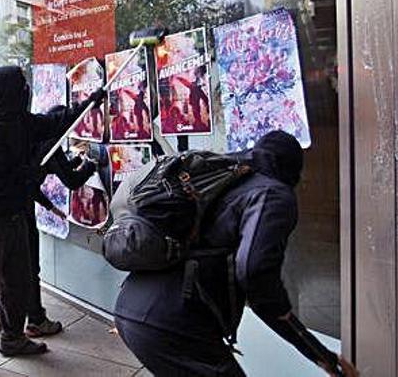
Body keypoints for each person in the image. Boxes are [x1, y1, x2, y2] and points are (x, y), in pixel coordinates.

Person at [114, 131, 357, 377]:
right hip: (172, 323)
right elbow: (255, 273)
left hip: (134, 308)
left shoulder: (228, 178)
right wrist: (316, 351)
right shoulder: (273, 193)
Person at [0, 66, 104, 377]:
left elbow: (52, 123)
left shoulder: (19, 121)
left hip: (13, 215)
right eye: (21, 86)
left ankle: (13, 338)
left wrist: (89, 103)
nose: (26, 91)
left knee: (19, 280)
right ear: (12, 94)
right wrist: (25, 178)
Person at [24, 132, 96, 338]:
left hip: (8, 209)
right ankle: (36, 321)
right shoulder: (50, 143)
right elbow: (72, 181)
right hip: (19, 213)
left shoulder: (33, 141)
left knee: (15, 268)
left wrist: (50, 207)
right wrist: (91, 164)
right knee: (30, 268)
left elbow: (36, 178)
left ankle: (3, 318)